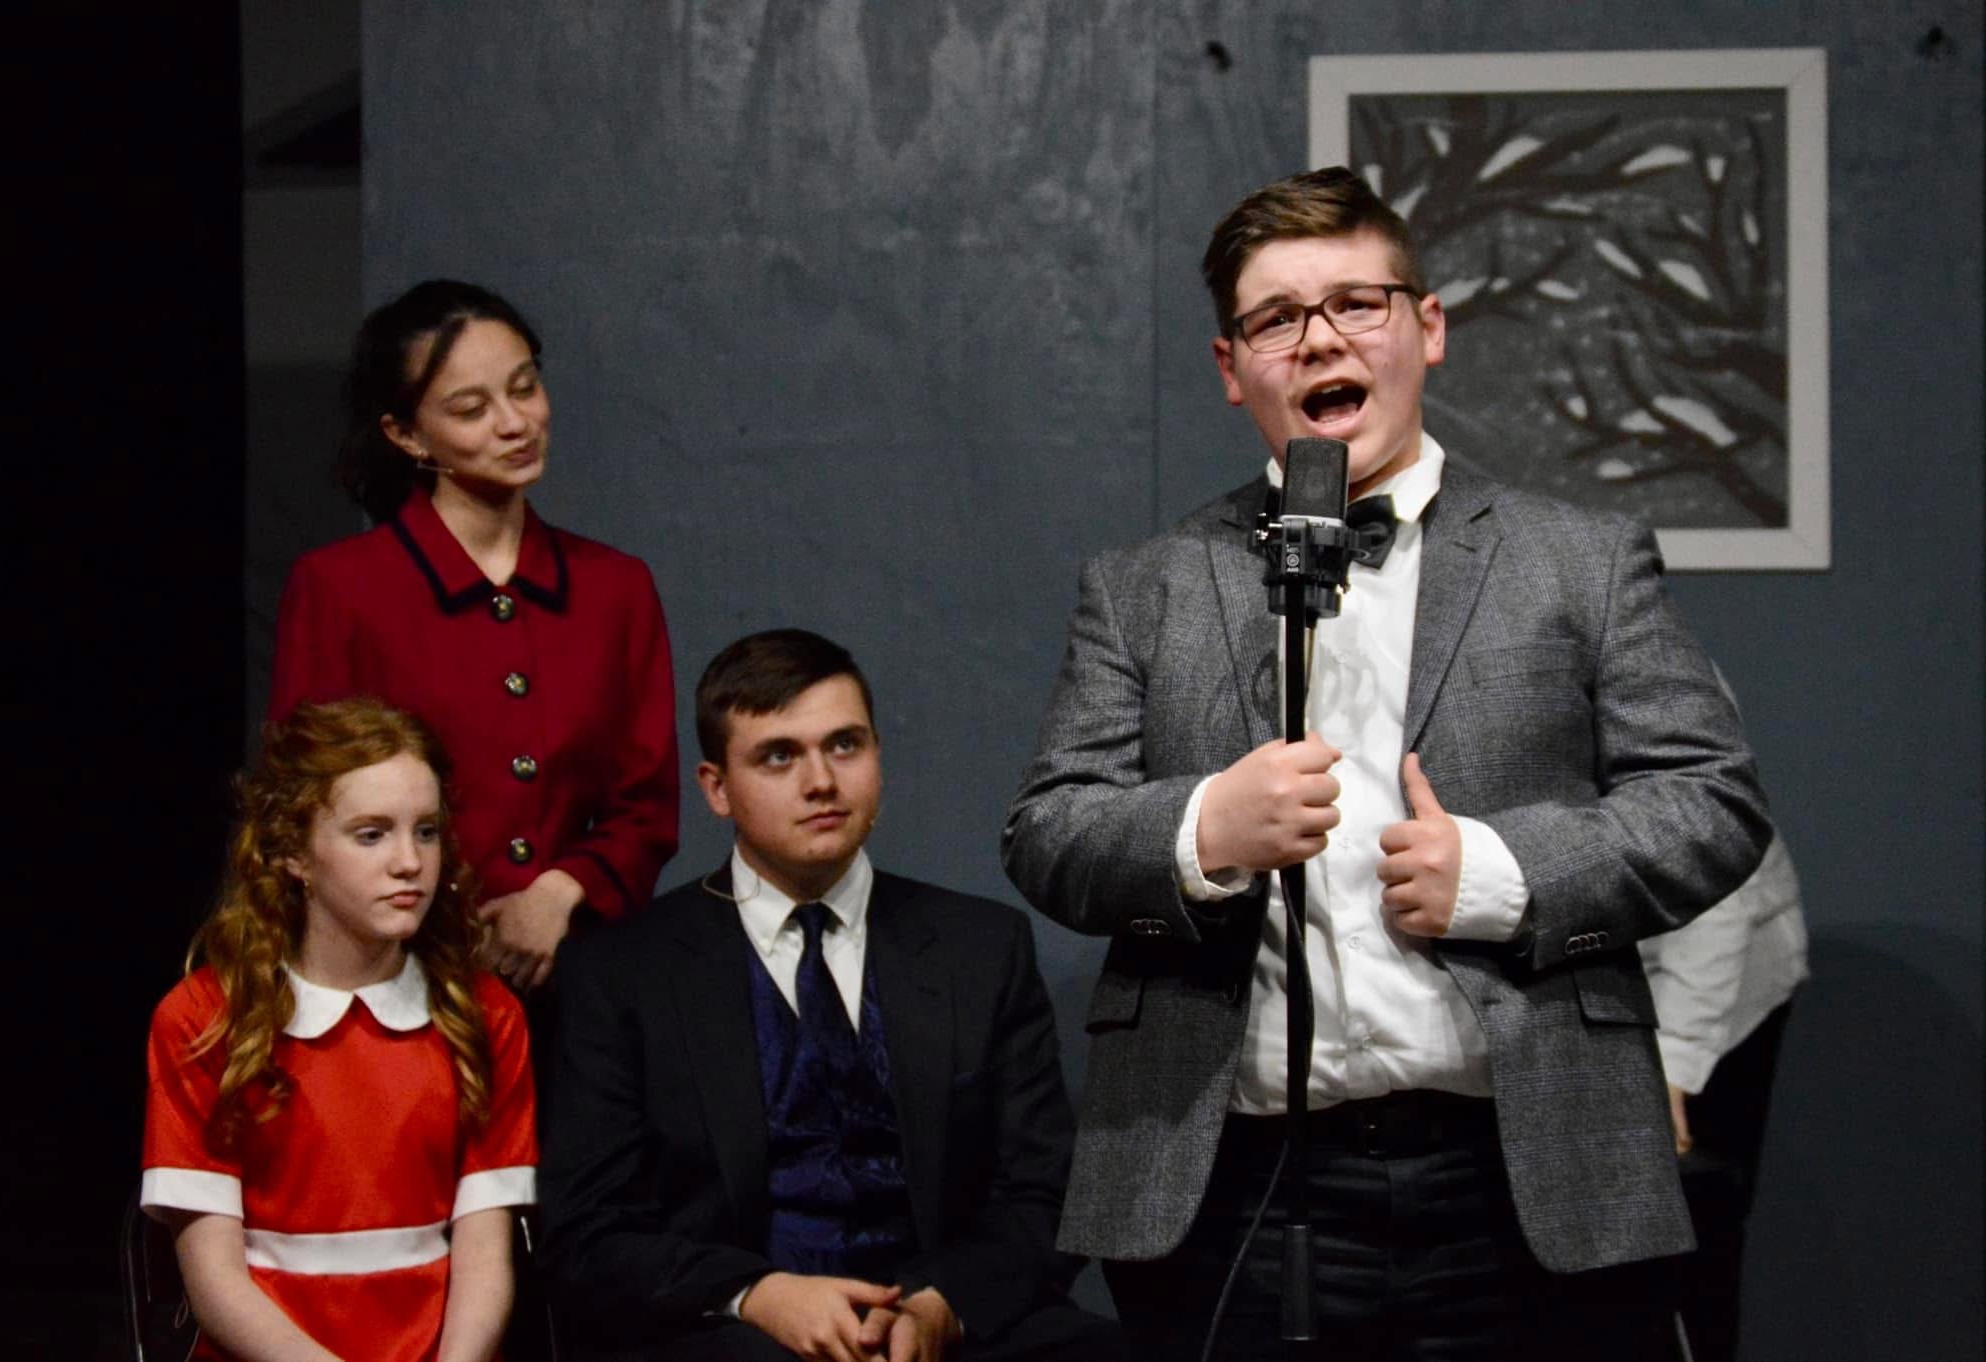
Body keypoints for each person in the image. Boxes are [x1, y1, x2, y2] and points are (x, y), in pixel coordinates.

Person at [1002, 167, 1772, 1360]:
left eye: (1356, 304)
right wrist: (1202, 830)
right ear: (1230, 368)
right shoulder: (1142, 585)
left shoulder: (1579, 560)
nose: (1319, 340)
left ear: (1427, 328)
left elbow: (1710, 801)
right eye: (1275, 319)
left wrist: (1502, 875)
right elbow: (1048, 830)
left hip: (1521, 1175)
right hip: (1235, 1185)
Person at [541, 629, 1124, 1362]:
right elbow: (588, 1231)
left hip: (940, 1326)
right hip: (729, 1334)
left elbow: (1046, 1191)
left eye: (845, 745)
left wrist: (942, 1307)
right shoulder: (622, 971)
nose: (821, 781)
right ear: (716, 788)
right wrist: (758, 1296)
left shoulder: (980, 948)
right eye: (778, 756)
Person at [270, 279, 679, 993]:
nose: (515, 423)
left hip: (579, 974)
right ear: (406, 435)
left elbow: (645, 805)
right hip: (398, 976)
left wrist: (558, 893)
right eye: (471, 408)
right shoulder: (340, 588)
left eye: (525, 389)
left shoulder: (615, 587)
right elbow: (303, 804)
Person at [140, 698, 537, 1362]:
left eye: (427, 831)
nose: (409, 862)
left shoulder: (486, 1014)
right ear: (294, 853)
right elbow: (214, 1282)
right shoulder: (202, 1018)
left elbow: (485, 1255)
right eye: (371, 834)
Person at [1645, 827, 1809, 1362]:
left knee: (1686, 1243)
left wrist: (1675, 1065)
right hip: (1622, 981)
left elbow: (1714, 905)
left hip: (1716, 987)